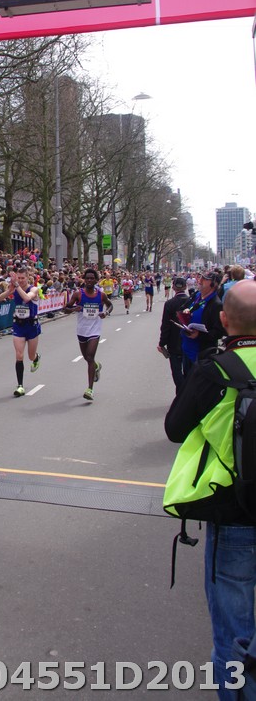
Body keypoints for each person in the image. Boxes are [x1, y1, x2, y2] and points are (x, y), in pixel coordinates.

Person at [164, 280, 256, 701]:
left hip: (235, 513)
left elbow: (174, 428)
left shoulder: (215, 370)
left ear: (223, 320)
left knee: (233, 637)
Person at [63, 267, 113, 401]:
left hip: (95, 330)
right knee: (87, 358)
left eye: (92, 278)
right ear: (84, 280)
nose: (89, 280)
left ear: (96, 280)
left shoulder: (101, 295)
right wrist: (74, 309)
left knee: (90, 356)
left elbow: (110, 305)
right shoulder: (78, 294)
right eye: (87, 278)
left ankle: (90, 389)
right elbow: (65, 309)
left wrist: (106, 313)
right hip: (82, 330)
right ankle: (96, 366)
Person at [0, 269, 41, 397]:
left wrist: (16, 286)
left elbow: (27, 298)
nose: (21, 280)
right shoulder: (16, 289)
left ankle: (36, 358)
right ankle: (20, 386)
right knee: (19, 355)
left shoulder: (34, 289)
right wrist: (9, 291)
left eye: (23, 278)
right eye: (19, 278)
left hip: (31, 326)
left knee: (30, 356)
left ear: (28, 278)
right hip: (19, 326)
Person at [180, 270, 226, 380]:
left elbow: (219, 332)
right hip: (187, 349)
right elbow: (183, 308)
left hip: (201, 353)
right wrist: (185, 312)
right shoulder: (196, 296)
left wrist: (199, 335)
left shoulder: (216, 304)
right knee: (186, 381)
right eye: (200, 277)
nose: (199, 280)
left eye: (204, 279)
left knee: (196, 385)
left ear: (213, 284)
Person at [157, 276, 190, 392]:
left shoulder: (169, 304)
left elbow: (165, 325)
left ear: (173, 287)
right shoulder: (191, 302)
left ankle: (181, 392)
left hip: (174, 342)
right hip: (189, 341)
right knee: (188, 370)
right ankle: (186, 392)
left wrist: (162, 343)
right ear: (185, 287)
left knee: (176, 371)